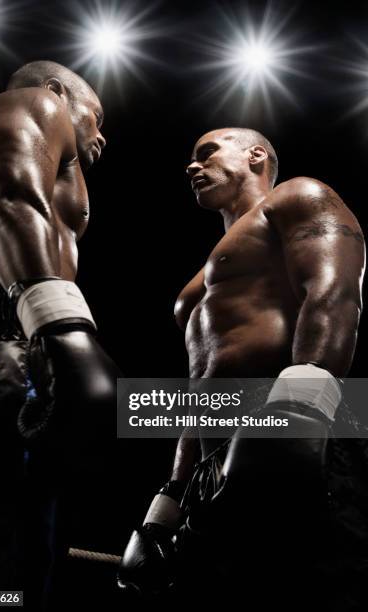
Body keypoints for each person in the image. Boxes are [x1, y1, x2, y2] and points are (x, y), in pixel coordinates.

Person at [119, 128, 366, 607]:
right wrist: (166, 505)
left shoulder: (299, 195)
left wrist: (300, 412)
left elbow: (334, 292)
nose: (192, 166)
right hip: (219, 463)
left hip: (299, 428)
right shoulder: (202, 281)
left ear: (256, 155)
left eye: (207, 153)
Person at [0, 60, 119, 610]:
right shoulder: (36, 103)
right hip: (8, 338)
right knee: (0, 540)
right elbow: (13, 198)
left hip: (1, 337)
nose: (102, 135)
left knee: (19, 543)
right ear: (56, 91)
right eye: (95, 117)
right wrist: (58, 323)